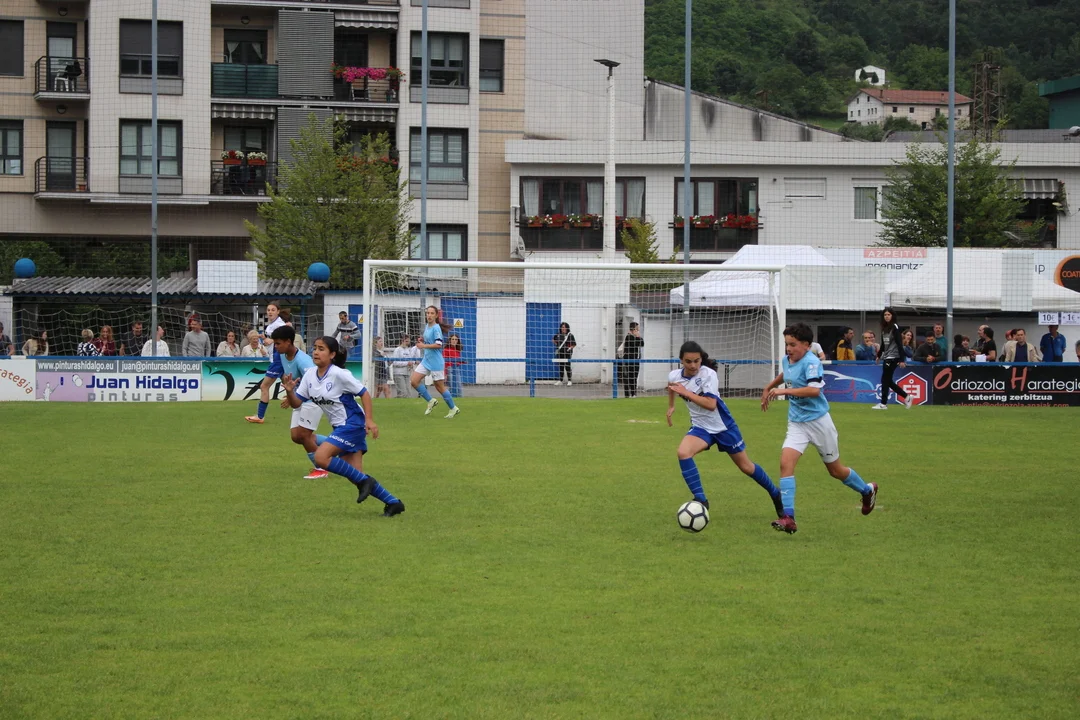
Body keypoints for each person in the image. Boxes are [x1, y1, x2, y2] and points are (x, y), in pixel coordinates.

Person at [760, 322, 878, 534]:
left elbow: (814, 391)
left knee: (835, 471)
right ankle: (789, 518)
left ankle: (866, 490)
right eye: (787, 344)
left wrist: (783, 392)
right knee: (785, 463)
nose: (788, 349)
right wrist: (769, 386)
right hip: (797, 423)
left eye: (793, 345)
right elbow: (786, 374)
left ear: (807, 345)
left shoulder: (812, 362)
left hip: (819, 423)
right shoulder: (787, 360)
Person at [280, 336, 405, 517]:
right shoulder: (309, 375)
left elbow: (364, 393)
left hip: (353, 424)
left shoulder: (339, 374)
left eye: (321, 349)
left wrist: (369, 420)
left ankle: (366, 482)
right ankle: (393, 503)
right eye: (315, 348)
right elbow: (297, 403)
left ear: (332, 354)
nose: (316, 352)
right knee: (355, 475)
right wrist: (290, 392)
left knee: (321, 458)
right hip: (340, 428)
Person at [667, 341, 784, 522]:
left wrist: (687, 393)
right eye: (688, 361)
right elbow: (671, 386)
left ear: (701, 360)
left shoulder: (709, 374)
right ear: (681, 361)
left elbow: (711, 404)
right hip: (701, 427)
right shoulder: (674, 375)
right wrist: (671, 406)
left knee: (746, 467)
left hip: (723, 427)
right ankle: (701, 500)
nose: (693, 365)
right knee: (683, 453)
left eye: (696, 361)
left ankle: (775, 493)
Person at [269, 325, 330, 480]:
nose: (276, 347)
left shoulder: (304, 361)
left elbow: (316, 383)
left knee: (303, 435)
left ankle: (321, 468)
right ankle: (336, 445)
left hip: (313, 400)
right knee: (296, 436)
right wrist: (290, 396)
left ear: (288, 342)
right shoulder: (283, 355)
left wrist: (295, 397)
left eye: (278, 343)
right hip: (300, 399)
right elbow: (291, 381)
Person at [410, 305, 461, 418]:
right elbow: (430, 340)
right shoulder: (427, 326)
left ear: (436, 315)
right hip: (426, 360)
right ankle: (431, 401)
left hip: (436, 362)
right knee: (414, 381)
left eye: (432, 313)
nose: (429, 315)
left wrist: (423, 345)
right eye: (428, 313)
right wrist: (423, 340)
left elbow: (438, 344)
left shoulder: (436, 328)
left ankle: (453, 408)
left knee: (439, 387)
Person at [246, 302, 287, 424]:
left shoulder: (279, 324)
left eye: (273, 310)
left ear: (278, 311)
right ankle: (307, 403)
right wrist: (265, 339)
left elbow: (286, 336)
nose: (270, 312)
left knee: (264, 386)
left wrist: (272, 340)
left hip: (277, 359)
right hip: (277, 358)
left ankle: (260, 416)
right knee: (290, 385)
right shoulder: (272, 324)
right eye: (268, 310)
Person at [873, 308, 912, 410]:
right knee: (888, 380)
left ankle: (883, 404)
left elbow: (899, 344)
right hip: (887, 356)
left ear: (892, 316)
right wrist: (879, 355)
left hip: (893, 357)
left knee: (885, 380)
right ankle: (907, 397)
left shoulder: (895, 327)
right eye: (885, 315)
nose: (886, 316)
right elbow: (883, 344)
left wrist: (902, 359)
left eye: (888, 314)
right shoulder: (884, 328)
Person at [619, 322, 645, 397]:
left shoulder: (635, 337)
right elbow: (635, 344)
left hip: (635, 360)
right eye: (637, 329)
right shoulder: (629, 337)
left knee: (634, 377)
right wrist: (638, 337)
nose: (638, 331)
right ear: (634, 329)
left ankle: (633, 393)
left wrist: (638, 337)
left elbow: (642, 344)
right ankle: (629, 394)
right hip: (629, 360)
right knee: (629, 377)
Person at [391, 334, 417, 398]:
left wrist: (413, 362)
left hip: (407, 373)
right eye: (406, 341)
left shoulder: (408, 350)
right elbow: (394, 362)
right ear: (402, 341)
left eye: (409, 341)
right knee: (402, 393)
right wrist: (406, 363)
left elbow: (410, 360)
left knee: (409, 394)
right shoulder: (397, 350)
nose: (408, 343)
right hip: (398, 373)